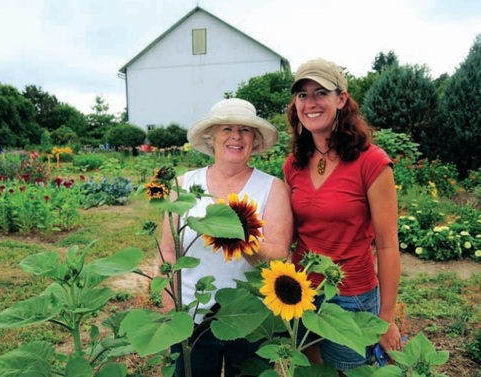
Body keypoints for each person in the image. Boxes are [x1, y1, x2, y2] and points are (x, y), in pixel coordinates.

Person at [282, 58, 402, 373]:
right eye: (302, 95)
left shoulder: (371, 163)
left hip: (351, 296)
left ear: (341, 99)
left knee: (350, 371)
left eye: (320, 92)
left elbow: (388, 244)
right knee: (310, 372)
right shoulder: (293, 165)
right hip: (302, 291)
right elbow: (291, 235)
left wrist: (386, 317)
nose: (310, 103)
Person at [160, 98, 293, 377]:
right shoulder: (184, 185)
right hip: (192, 314)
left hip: (250, 316)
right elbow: (168, 253)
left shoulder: (272, 188)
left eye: (245, 130)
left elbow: (280, 254)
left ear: (254, 140)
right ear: (212, 137)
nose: (236, 136)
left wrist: (240, 238)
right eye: (226, 129)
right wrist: (172, 307)